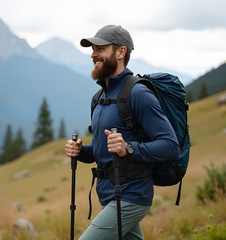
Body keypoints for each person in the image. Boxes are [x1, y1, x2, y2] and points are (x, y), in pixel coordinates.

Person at [64, 25, 180, 240]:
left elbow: (171, 146)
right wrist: (81, 152)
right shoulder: (98, 98)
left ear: (120, 52)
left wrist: (128, 148)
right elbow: (103, 152)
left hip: (131, 195)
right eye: (92, 49)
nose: (93, 54)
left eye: (100, 48)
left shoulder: (138, 93)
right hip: (109, 194)